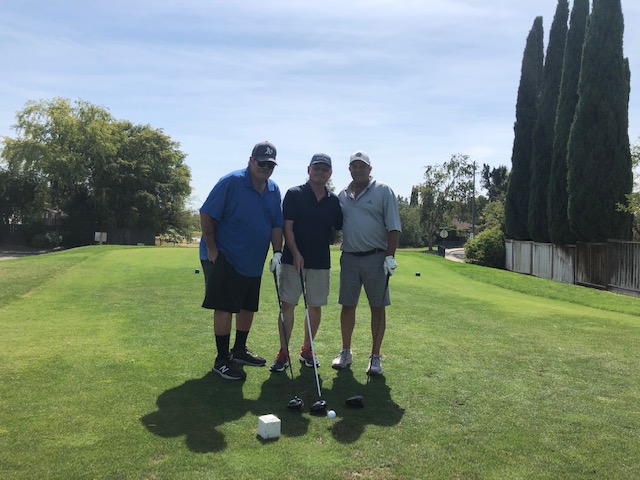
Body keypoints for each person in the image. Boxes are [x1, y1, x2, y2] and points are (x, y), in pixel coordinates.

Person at [199, 141, 284, 380]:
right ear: (251, 160)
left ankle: (239, 351)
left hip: (253, 261)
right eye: (261, 163)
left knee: (248, 307)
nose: (265, 168)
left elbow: (276, 224)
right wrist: (212, 249)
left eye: (270, 165)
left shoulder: (273, 189)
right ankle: (222, 359)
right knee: (225, 307)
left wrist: (278, 252)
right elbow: (206, 213)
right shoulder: (231, 182)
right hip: (225, 256)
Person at [270, 153, 343, 372]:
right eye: (316, 168)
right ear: (309, 170)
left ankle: (307, 349)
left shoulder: (334, 201)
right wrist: (295, 252)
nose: (320, 172)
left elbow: (341, 226)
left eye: (324, 169)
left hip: (320, 261)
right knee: (288, 305)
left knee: (315, 306)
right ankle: (283, 352)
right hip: (292, 260)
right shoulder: (295, 194)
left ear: (330, 173)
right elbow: (287, 227)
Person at [331, 150, 401, 376]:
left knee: (377, 308)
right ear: (349, 169)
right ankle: (345, 352)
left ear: (370, 168)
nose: (358, 170)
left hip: (376, 258)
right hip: (350, 257)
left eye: (362, 166)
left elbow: (394, 227)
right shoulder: (342, 195)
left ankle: (375, 356)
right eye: (355, 166)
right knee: (347, 306)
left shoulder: (383, 191)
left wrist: (390, 256)